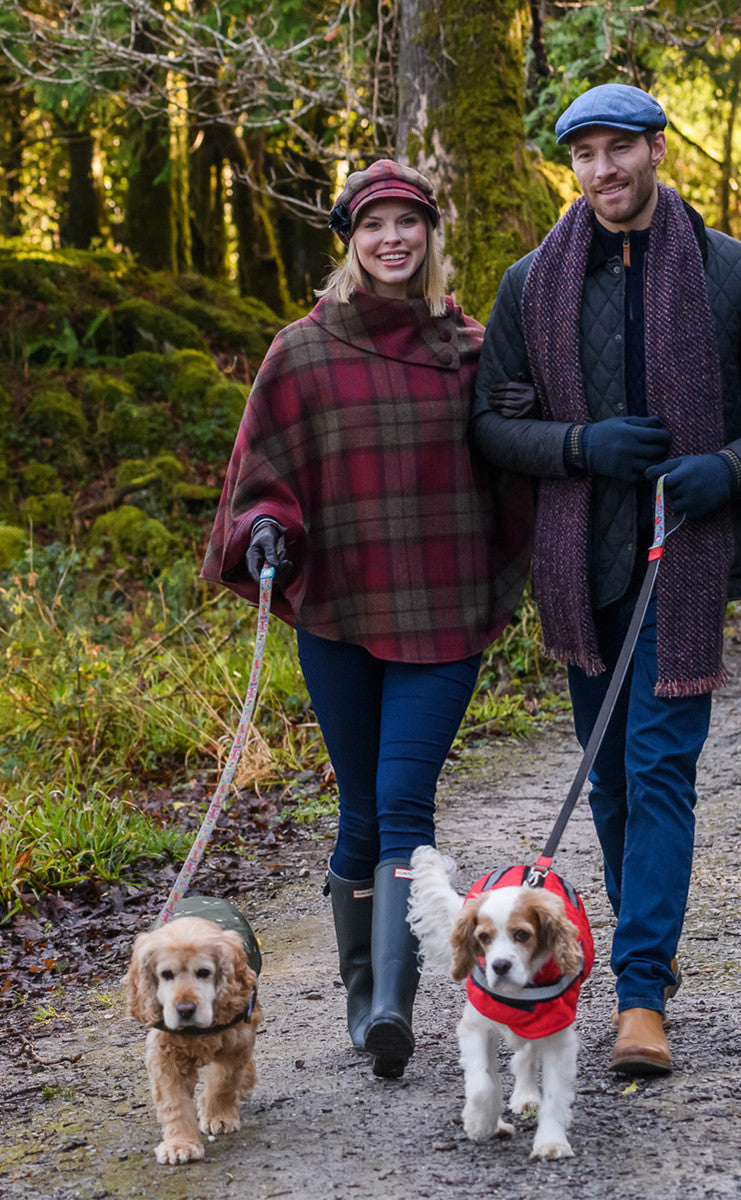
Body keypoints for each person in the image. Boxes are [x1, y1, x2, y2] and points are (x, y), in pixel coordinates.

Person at [471, 84, 741, 1075]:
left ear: (655, 150)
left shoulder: (729, 273)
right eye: (582, 153)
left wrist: (731, 465)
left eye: (617, 148)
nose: (602, 170)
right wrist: (581, 444)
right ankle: (648, 958)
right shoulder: (528, 286)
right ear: (571, 167)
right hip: (579, 569)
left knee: (657, 769)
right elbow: (492, 425)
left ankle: (638, 998)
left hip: (683, 566)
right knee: (612, 784)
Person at [201, 159, 531, 1080]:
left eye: (408, 224)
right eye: (374, 224)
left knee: (401, 804)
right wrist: (266, 529)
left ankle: (391, 1006)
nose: (393, 239)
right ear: (350, 238)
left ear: (430, 234)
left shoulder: (471, 347)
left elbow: (514, 461)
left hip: (441, 605)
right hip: (341, 608)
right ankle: (362, 990)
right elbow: (263, 475)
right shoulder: (300, 352)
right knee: (359, 813)